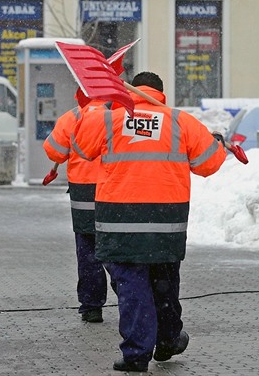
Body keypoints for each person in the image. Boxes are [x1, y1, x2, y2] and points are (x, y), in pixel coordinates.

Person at [72, 72, 227, 372]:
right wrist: (217, 142)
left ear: (131, 89)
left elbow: (80, 148)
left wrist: (106, 109)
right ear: (161, 93)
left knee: (132, 285)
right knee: (164, 284)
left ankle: (136, 353)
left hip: (120, 221)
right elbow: (210, 163)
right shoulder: (180, 120)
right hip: (166, 221)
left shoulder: (110, 118)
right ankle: (168, 339)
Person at [43, 93, 108, 323]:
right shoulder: (119, 115)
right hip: (113, 189)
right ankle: (133, 300)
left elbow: (53, 151)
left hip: (83, 192)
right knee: (116, 250)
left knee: (88, 248)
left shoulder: (72, 117)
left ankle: (92, 306)